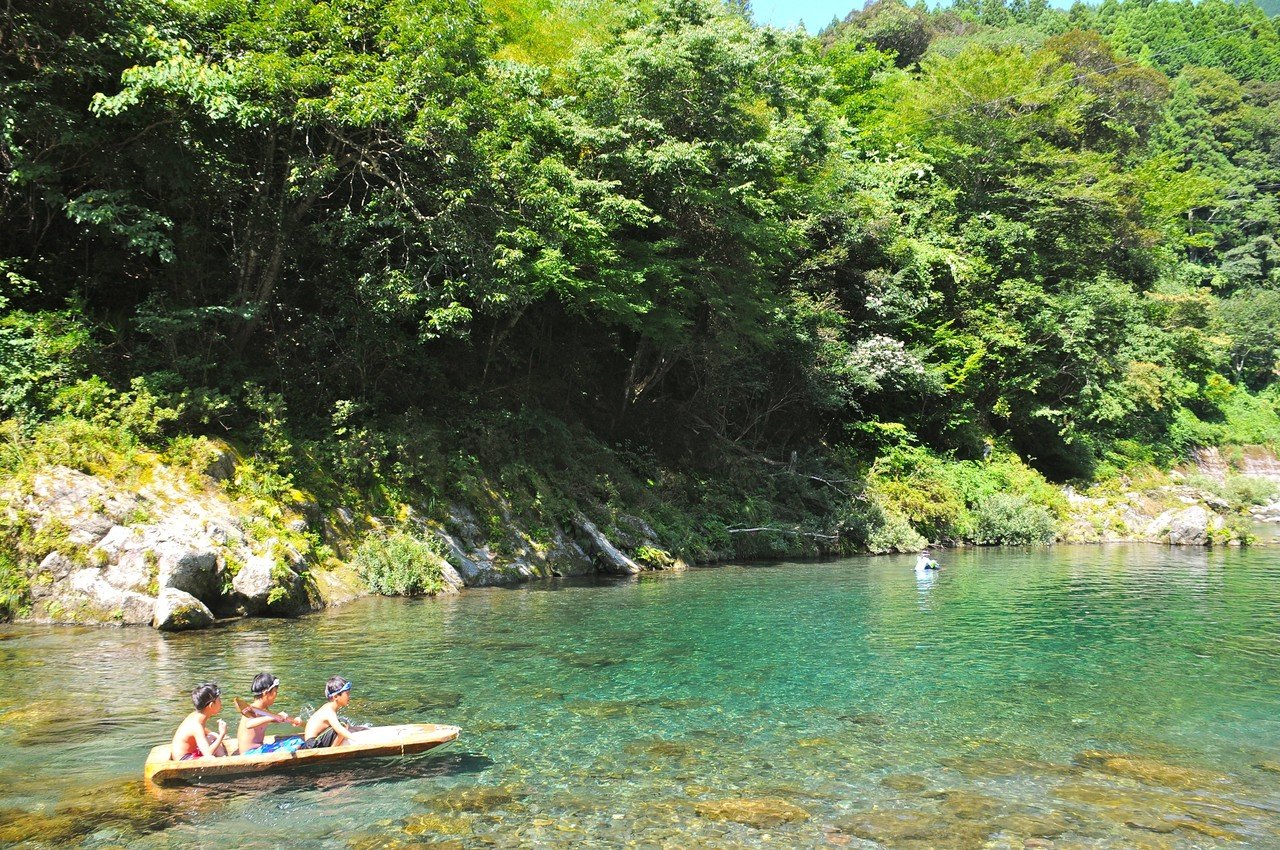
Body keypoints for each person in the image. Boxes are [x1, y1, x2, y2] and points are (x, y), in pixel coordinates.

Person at [236, 672, 304, 756]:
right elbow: (249, 724)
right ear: (266, 693)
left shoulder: (264, 710)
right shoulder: (251, 710)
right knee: (298, 743)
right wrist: (271, 717)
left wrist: (294, 721)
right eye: (275, 692)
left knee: (297, 740)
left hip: (261, 749)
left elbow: (277, 719)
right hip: (250, 753)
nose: (276, 695)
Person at [170, 682, 228, 761]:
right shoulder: (196, 726)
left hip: (188, 753)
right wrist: (222, 734)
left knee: (213, 735)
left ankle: (224, 759)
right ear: (211, 705)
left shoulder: (196, 716)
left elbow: (203, 730)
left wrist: (219, 736)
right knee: (211, 758)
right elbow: (208, 754)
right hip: (184, 760)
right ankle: (224, 763)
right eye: (219, 700)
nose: (221, 703)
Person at [301, 676, 357, 749]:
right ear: (336, 696)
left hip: (313, 742)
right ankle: (332, 750)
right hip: (313, 744)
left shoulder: (329, 707)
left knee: (343, 723)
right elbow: (339, 728)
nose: (349, 696)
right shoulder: (329, 710)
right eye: (347, 694)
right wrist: (356, 739)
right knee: (343, 723)